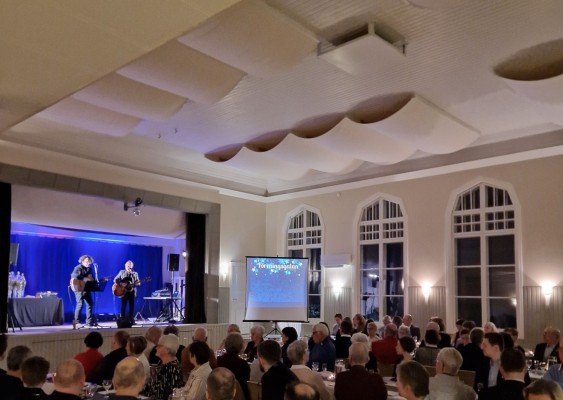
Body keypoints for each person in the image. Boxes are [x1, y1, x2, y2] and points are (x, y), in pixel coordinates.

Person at [142, 334, 185, 400]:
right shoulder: (161, 363)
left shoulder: (173, 369)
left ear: (167, 349)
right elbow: (151, 386)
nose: (156, 348)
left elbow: (170, 395)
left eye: (159, 346)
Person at [217, 333, 250, 400]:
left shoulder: (219, 360)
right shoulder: (243, 364)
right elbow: (244, 386)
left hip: (220, 395)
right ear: (241, 346)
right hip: (238, 396)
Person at [70, 254, 96, 327]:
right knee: (80, 304)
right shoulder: (78, 268)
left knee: (90, 304)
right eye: (87, 261)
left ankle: (89, 322)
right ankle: (76, 322)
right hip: (78, 288)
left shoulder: (89, 269)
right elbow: (74, 275)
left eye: (89, 261)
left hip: (86, 288)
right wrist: (83, 278)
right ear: (82, 261)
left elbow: (91, 277)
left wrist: (96, 281)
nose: (89, 263)